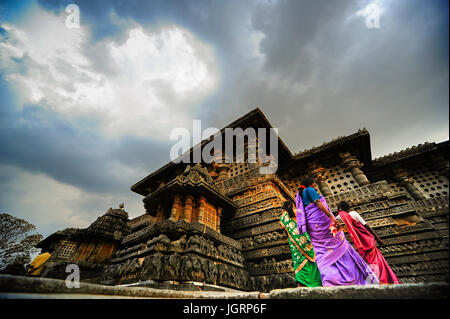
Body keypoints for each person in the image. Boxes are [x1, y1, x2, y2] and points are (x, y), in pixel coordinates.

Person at [295, 176, 379, 286]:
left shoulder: (300, 195)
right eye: (314, 184)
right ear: (310, 184)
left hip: (313, 226)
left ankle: (330, 279)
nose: (315, 186)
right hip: (322, 222)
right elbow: (317, 202)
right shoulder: (309, 190)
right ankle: (352, 276)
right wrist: (332, 217)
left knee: (322, 251)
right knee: (338, 244)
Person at [336, 201, 400, 284]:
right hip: (367, 239)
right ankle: (379, 280)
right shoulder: (353, 214)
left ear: (340, 209)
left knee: (369, 261)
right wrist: (377, 238)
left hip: (358, 242)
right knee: (376, 260)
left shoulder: (339, 217)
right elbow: (366, 225)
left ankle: (374, 280)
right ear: (348, 208)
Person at [280, 201, 322, 287]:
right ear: (293, 205)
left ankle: (301, 284)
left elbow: (286, 231)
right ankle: (316, 282)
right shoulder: (298, 212)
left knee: (298, 262)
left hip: (294, 244)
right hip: (304, 239)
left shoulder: (283, 218)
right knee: (311, 259)